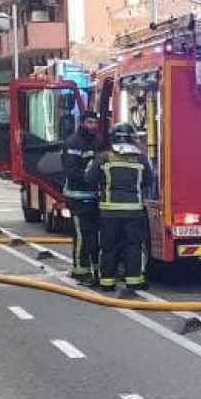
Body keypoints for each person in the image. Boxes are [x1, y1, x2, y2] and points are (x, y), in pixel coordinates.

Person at [85, 123, 155, 293]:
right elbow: (149, 181)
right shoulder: (142, 159)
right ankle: (134, 282)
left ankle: (107, 282)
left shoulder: (103, 158)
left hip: (109, 212)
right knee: (133, 247)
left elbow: (90, 178)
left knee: (109, 247)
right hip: (134, 211)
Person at [62, 112, 104, 284]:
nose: (93, 126)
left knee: (94, 235)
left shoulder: (96, 142)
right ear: (82, 123)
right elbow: (71, 171)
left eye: (95, 122)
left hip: (94, 197)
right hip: (77, 197)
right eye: (89, 122)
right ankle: (80, 269)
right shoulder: (73, 143)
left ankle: (94, 269)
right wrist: (90, 177)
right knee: (81, 235)